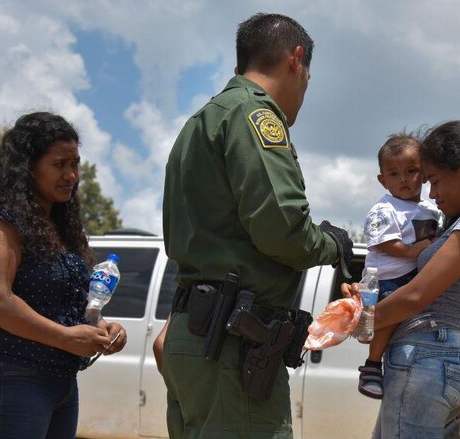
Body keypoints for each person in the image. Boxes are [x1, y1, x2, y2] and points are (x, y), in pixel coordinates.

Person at [157, 13, 353, 439]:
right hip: (230, 344)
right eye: (307, 77)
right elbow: (282, 229)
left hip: (200, 337)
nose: (304, 90)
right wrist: (332, 246)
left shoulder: (203, 120)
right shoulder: (255, 115)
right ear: (296, 60)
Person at [342, 120, 460, 438]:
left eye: (434, 180)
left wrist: (358, 320)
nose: (432, 193)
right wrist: (366, 301)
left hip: (428, 356)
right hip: (436, 359)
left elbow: (418, 295)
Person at [0, 112, 127, 439]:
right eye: (59, 165)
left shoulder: (62, 232)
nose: (71, 175)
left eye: (75, 164)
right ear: (28, 167)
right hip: (14, 381)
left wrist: (100, 330)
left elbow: (64, 309)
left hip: (61, 385)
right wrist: (65, 337)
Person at [357, 132, 442, 400]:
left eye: (411, 171)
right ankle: (371, 366)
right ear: (383, 180)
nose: (403, 179)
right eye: (394, 174)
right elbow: (381, 243)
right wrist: (410, 251)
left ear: (425, 173)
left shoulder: (432, 210)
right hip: (387, 279)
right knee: (387, 319)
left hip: (415, 278)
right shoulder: (384, 209)